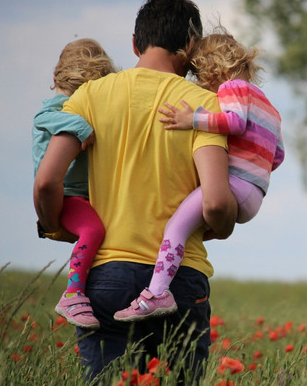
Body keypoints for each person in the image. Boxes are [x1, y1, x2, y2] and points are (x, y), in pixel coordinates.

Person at [33, 0, 237, 381]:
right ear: (191, 46)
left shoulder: (88, 96)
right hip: (180, 279)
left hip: (106, 274)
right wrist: (222, 226)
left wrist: (56, 225)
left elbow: (46, 182)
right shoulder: (202, 106)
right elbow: (215, 202)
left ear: (134, 43)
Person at [114, 29, 285, 322]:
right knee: (190, 227)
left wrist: (191, 119)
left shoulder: (233, 88)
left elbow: (234, 122)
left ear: (212, 68)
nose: (199, 82)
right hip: (255, 193)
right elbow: (278, 155)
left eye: (198, 74)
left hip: (234, 185)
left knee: (175, 228)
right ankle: (166, 278)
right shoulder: (269, 106)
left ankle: (156, 293)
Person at [32, 38, 115, 330]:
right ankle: (73, 293)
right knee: (93, 229)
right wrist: (81, 127)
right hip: (66, 195)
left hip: (80, 195)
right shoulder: (59, 107)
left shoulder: (71, 104)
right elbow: (44, 118)